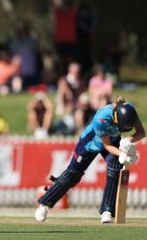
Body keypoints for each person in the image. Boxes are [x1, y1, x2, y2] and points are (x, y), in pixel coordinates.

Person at [35, 96, 145, 224]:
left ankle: (107, 211)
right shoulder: (101, 119)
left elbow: (141, 132)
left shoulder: (129, 112)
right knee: (72, 175)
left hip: (112, 140)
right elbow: (106, 145)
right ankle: (44, 204)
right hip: (90, 144)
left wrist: (129, 140)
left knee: (115, 167)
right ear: (115, 118)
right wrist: (122, 153)